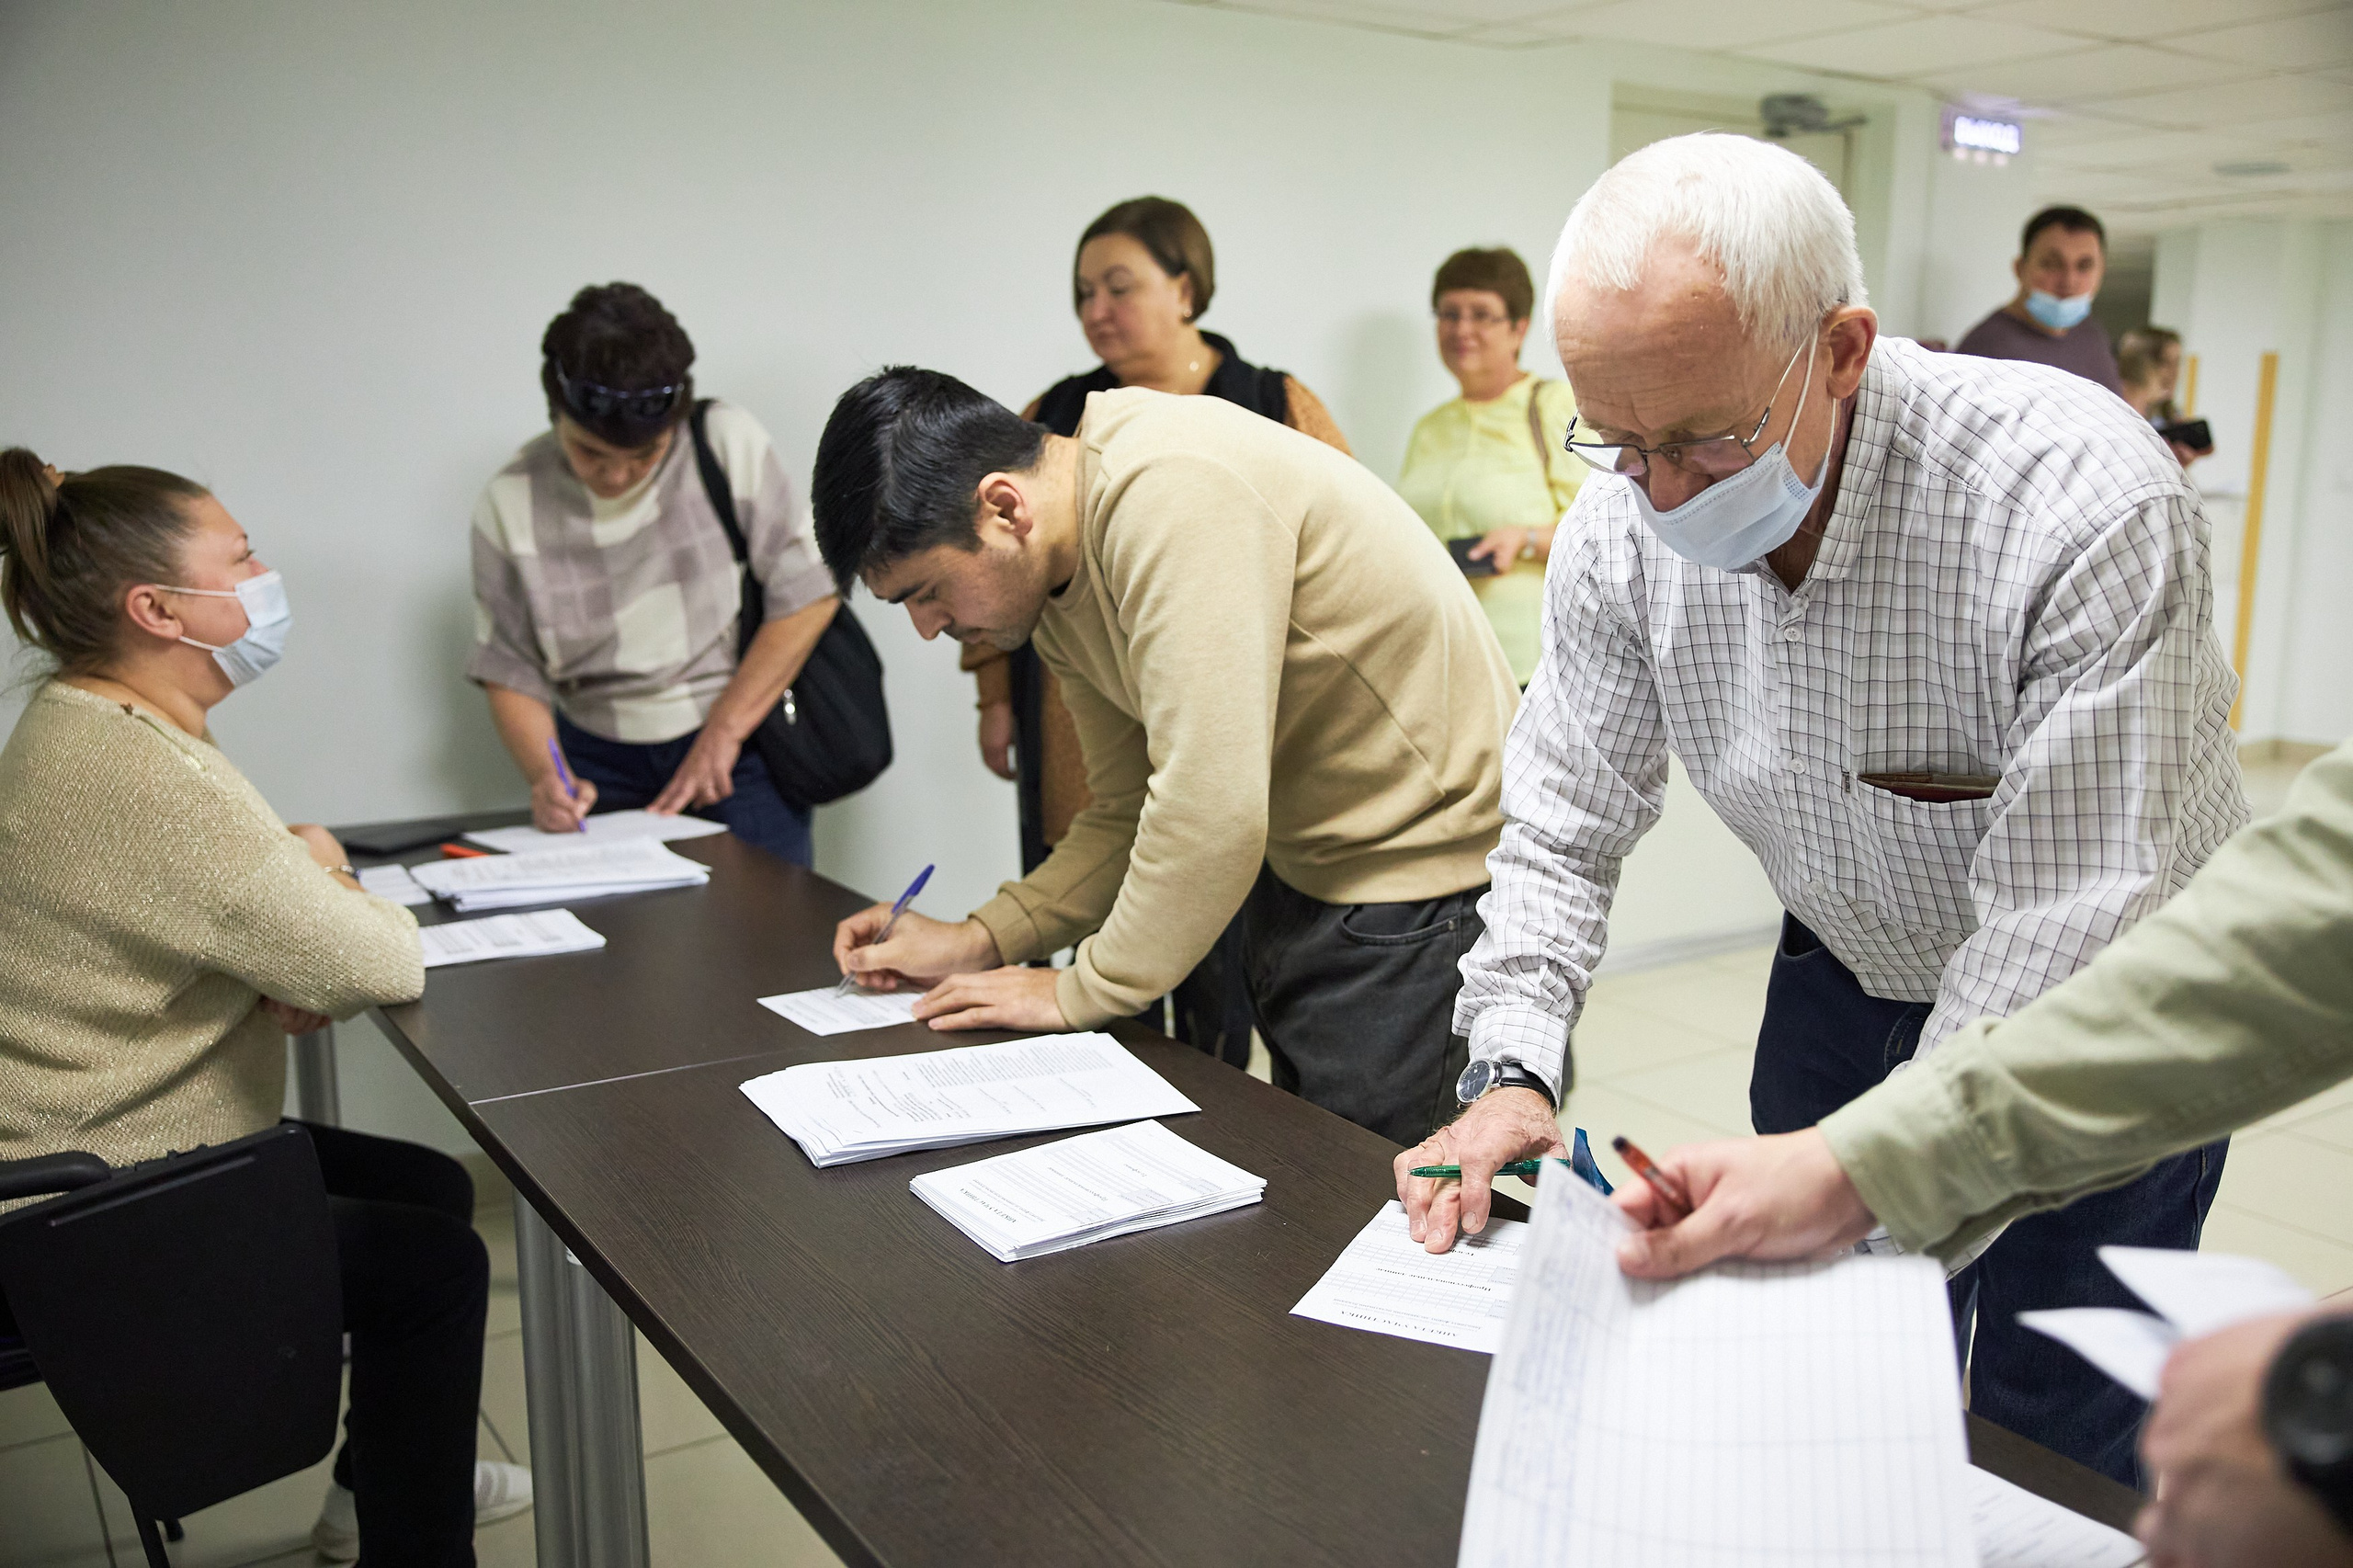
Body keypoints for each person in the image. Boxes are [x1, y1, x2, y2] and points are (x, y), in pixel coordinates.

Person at [1406, 132, 2246, 1487]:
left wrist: (1860, 1200)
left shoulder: (2074, 503)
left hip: (2104, 1007)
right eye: (1618, 440)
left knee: (2053, 1422)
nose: (1658, 492)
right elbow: (1564, 807)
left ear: (1842, 346)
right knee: (1813, 1388)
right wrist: (1513, 1064)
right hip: (1846, 969)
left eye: (1699, 440)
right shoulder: (1627, 519)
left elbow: (2056, 943)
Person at [1598, 741, 2353, 1564]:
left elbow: (2177, 915)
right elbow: (2314, 898)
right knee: (1850, 1415)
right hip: (1855, 973)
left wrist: (2318, 1396)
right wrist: (1855, 1167)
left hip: (2105, 960)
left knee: (2068, 1427)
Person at [0, 450, 527, 1564]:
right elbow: (377, 958)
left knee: (429, 1185)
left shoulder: (99, 721)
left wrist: (280, 948)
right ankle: (409, 1544)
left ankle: (373, 1490)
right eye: (239, 557)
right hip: (86, 1194)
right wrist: (328, 879)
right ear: (157, 608)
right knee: (437, 1266)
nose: (265, 572)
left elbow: (242, 924)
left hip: (116, 1139)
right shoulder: (134, 767)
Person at [809, 369, 1518, 1144]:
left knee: (1395, 1216)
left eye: (926, 591)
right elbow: (1125, 811)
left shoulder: (1171, 490)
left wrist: (1080, 990)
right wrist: (982, 938)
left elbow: (1210, 812)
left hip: (1429, 891)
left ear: (1004, 506)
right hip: (1318, 875)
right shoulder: (1056, 581)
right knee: (1325, 1184)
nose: (926, 626)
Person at [964, 197, 1352, 1063]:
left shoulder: (1270, 399)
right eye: (1083, 293)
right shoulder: (1052, 412)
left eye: (1119, 286)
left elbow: (1339, 538)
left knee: (1221, 948)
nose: (1098, 309)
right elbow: (991, 562)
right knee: (1103, 929)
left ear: (1185, 287)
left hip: (1235, 728)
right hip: (1078, 725)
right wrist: (993, 698)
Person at [467, 282, 838, 865]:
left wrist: (724, 731)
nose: (618, 478)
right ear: (555, 413)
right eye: (591, 454)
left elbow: (810, 592)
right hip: (595, 763)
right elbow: (510, 667)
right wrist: (546, 777)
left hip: (740, 746)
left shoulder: (722, 441)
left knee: (768, 937)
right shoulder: (511, 500)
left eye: (645, 456)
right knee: (621, 948)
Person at [1397, 247, 1584, 687]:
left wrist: (1524, 540)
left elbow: (1606, 530)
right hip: (1441, 665)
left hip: (1531, 667)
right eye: (1449, 313)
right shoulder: (1430, 428)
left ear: (1519, 329)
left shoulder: (1555, 406)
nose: (1463, 329)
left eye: (1482, 314)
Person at [1954, 205, 2124, 394]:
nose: (2069, 280)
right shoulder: (1986, 349)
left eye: (2084, 266)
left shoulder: (2092, 336)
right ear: (2020, 269)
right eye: (2051, 264)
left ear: (2101, 273)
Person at [2120, 325, 2211, 468]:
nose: (2174, 372)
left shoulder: (2170, 416)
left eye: (2177, 362)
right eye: (2165, 363)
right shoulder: (2112, 409)